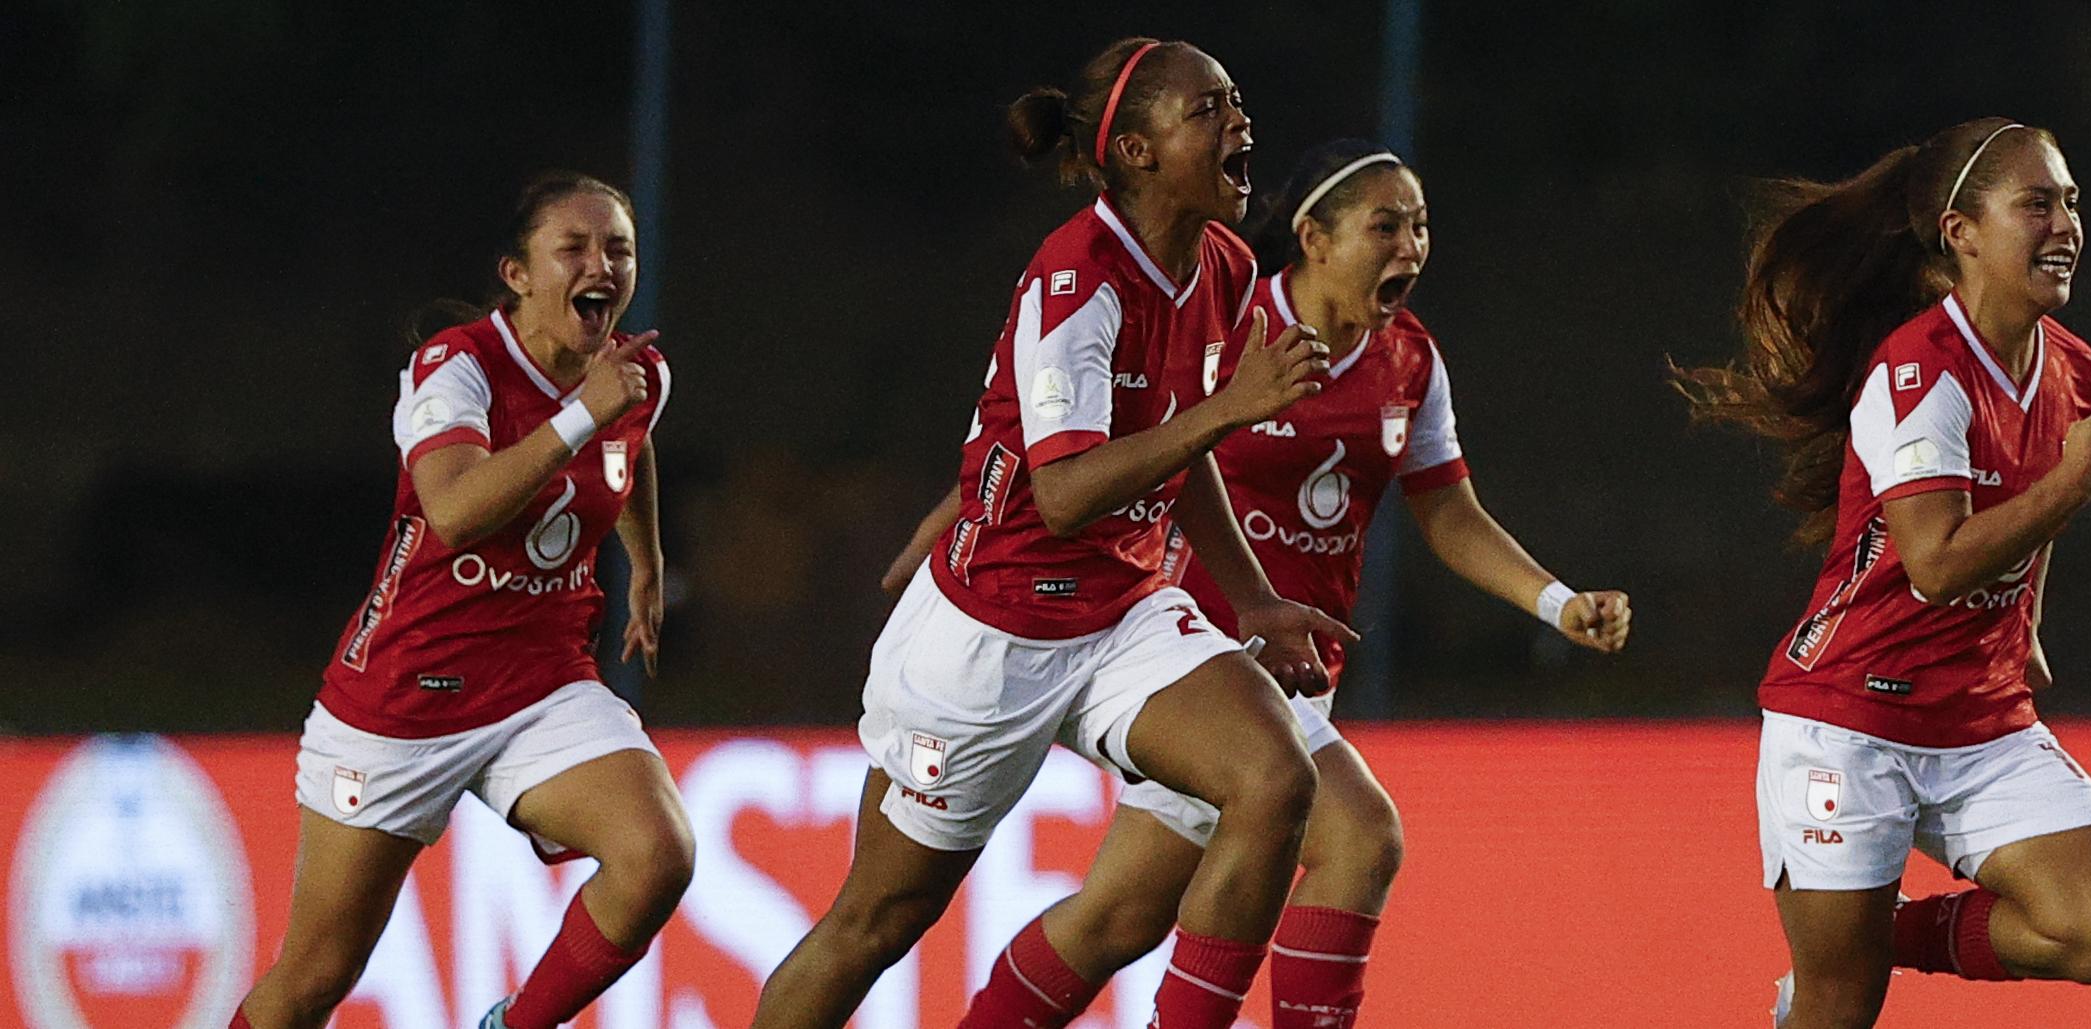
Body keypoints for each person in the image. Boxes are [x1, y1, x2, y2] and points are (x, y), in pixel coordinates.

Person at [912, 139, 1633, 1029]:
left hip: (1298, 670)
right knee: (1361, 837)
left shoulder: (1408, 360)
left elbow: (1448, 513)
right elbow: (1094, 438)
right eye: (1384, 225)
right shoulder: (1234, 324)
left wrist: (1556, 601)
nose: (1410, 244)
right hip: (1193, 658)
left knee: (1118, 917)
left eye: (1419, 225)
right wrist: (962, 517)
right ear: (1314, 237)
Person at [749, 38, 1354, 1029]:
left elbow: (1175, 445)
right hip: (989, 638)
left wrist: (1250, 595)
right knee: (876, 922)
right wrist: (1231, 408)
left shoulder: (1227, 264)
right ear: (1138, 149)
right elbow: (1066, 491)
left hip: (1119, 615)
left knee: (1274, 779)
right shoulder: (1079, 280)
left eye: (1237, 102)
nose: (1240, 123)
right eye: (1208, 109)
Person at [1673, 118, 2091, 1028]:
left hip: (1976, 716)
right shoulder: (1915, 374)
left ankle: (1873, 931)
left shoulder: (2072, 368)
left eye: (2070, 202)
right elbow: (1933, 565)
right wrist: (2075, 481)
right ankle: (1847, 949)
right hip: (1848, 717)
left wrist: (2028, 630)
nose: (2064, 223)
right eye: (2036, 203)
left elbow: (2026, 525)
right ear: (1959, 232)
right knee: (1838, 1006)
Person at [231, 173, 692, 1029]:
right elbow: (453, 511)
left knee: (656, 854)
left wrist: (649, 563)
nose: (603, 264)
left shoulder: (634, 375)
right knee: (313, 979)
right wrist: (578, 420)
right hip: (406, 695)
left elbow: (634, 442)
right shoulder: (457, 367)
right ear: (517, 274)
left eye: (618, 248)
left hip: (539, 679)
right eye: (575, 248)